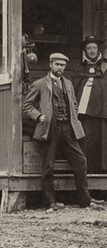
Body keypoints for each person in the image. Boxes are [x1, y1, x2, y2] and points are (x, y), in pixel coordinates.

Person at [23, 53, 103, 209]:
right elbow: (27, 106)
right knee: (48, 166)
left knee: (80, 160)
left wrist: (74, 116)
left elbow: (73, 104)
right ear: (51, 64)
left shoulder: (68, 83)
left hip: (67, 127)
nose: (60, 68)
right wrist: (39, 116)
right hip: (49, 127)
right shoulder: (40, 84)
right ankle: (50, 202)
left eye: (63, 65)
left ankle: (85, 200)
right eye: (57, 64)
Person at [75, 35, 107, 173]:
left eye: (94, 48)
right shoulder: (80, 68)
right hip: (84, 113)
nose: (92, 51)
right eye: (89, 48)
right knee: (86, 142)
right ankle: (86, 171)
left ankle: (102, 170)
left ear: (98, 49)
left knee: (102, 142)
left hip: (102, 112)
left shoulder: (105, 67)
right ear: (85, 51)